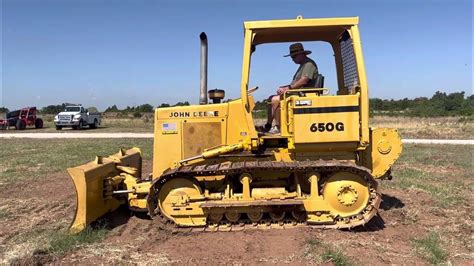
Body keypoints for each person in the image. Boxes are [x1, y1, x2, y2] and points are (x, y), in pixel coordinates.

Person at [264, 43, 319, 134]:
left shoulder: (309, 64)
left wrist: (288, 88)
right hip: (298, 92)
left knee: (275, 100)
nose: (292, 59)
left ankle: (279, 128)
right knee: (271, 98)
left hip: (304, 94)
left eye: (294, 56)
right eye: (292, 57)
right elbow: (296, 83)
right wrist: (285, 87)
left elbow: (304, 80)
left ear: (302, 54)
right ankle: (268, 125)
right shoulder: (303, 66)